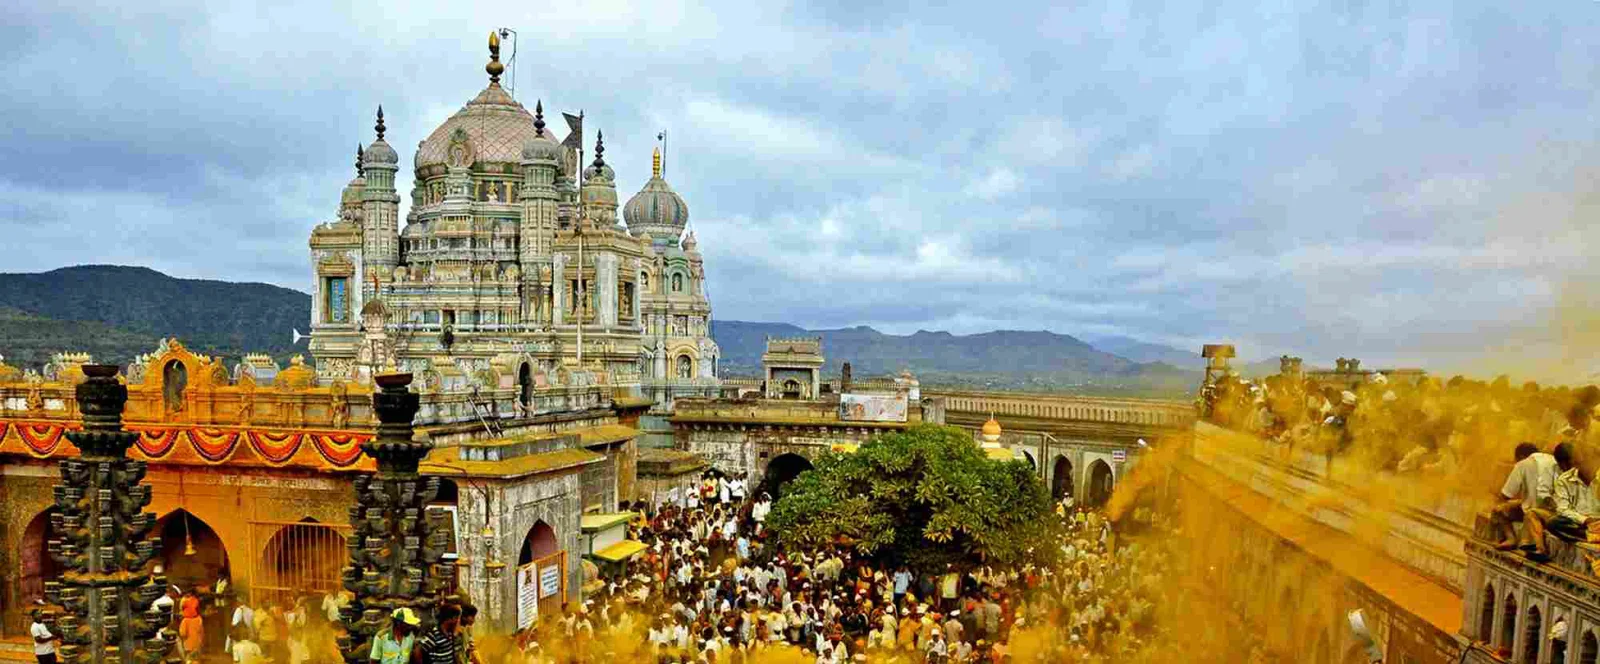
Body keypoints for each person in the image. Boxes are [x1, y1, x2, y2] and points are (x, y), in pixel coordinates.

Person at [1490, 442, 1557, 550]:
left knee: (1498, 510)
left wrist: (1498, 497)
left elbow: (1505, 495)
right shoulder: (1554, 460)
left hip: (1536, 514)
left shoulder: (1523, 464)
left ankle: (1510, 539)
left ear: (1521, 457)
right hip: (1557, 514)